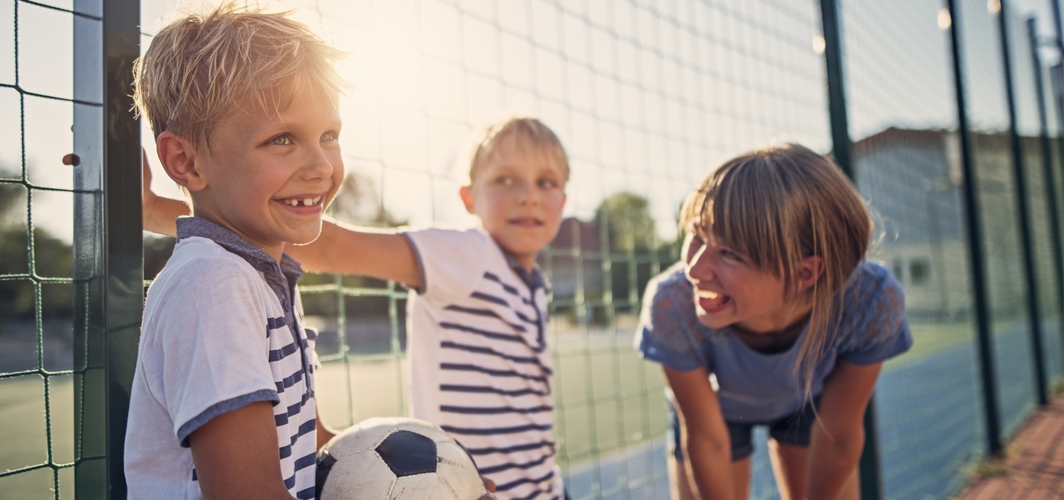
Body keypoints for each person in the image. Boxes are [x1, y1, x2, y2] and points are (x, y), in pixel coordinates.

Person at [125, 5, 500, 499]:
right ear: (186, 161)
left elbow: (311, 446)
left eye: (329, 135)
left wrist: (446, 487)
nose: (321, 165)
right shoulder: (214, 285)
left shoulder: (263, 273)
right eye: (281, 139)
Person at [143, 116, 569, 499]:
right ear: (469, 198)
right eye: (507, 180)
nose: (529, 197)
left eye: (546, 183)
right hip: (458, 488)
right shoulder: (465, 256)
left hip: (543, 486)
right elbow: (328, 243)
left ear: (564, 202)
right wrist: (155, 210)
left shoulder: (533, 284)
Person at [635, 144, 912, 500]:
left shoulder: (871, 299)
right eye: (697, 236)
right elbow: (706, 439)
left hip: (809, 405)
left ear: (805, 273)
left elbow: (838, 436)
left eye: (730, 253)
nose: (695, 269)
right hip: (715, 413)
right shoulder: (673, 302)